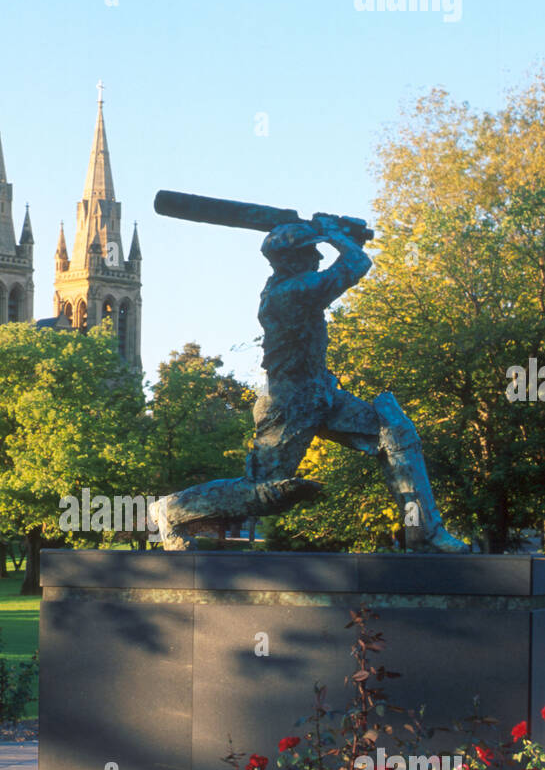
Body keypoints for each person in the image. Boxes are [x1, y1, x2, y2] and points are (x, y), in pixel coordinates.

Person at [150, 213, 466, 553]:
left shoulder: (299, 285)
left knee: (396, 432)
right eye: (309, 251)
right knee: (264, 494)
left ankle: (424, 535)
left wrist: (341, 236)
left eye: (316, 250)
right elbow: (356, 264)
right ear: (289, 260)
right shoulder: (290, 292)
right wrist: (333, 234)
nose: (317, 257)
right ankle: (169, 510)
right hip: (288, 404)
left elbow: (348, 262)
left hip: (321, 392)